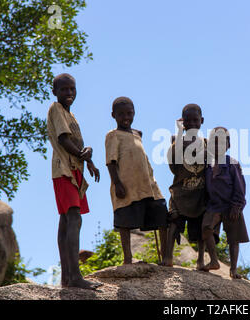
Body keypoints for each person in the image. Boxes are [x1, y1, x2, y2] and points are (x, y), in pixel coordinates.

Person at [47, 73, 101, 290]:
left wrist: (88, 160)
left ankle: (67, 278)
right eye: (64, 90)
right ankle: (75, 276)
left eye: (72, 89)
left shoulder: (72, 116)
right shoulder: (56, 109)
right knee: (73, 218)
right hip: (64, 170)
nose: (69, 93)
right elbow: (63, 139)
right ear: (55, 92)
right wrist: (82, 154)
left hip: (74, 170)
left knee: (66, 221)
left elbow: (77, 145)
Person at [105, 97, 168, 265]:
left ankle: (166, 256)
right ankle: (128, 258)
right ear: (113, 115)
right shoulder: (113, 135)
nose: (126, 117)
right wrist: (117, 183)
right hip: (127, 185)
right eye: (121, 114)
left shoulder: (137, 134)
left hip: (147, 184)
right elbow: (111, 162)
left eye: (129, 113)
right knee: (125, 222)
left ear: (134, 113)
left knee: (161, 214)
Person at [160, 104, 213, 269]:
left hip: (200, 194)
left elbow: (210, 168)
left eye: (195, 120)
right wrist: (179, 134)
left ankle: (201, 260)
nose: (192, 124)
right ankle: (168, 257)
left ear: (202, 121)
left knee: (200, 227)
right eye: (187, 121)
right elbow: (173, 166)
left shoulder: (206, 144)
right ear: (182, 122)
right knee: (174, 222)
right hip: (180, 193)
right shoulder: (177, 143)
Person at [201, 127, 249, 279]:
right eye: (214, 143)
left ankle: (233, 270)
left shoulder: (232, 164)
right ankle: (214, 261)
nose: (217, 147)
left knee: (234, 238)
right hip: (214, 206)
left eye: (222, 143)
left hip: (231, 206)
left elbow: (240, 187)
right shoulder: (207, 166)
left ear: (228, 146)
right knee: (206, 228)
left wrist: (237, 206)